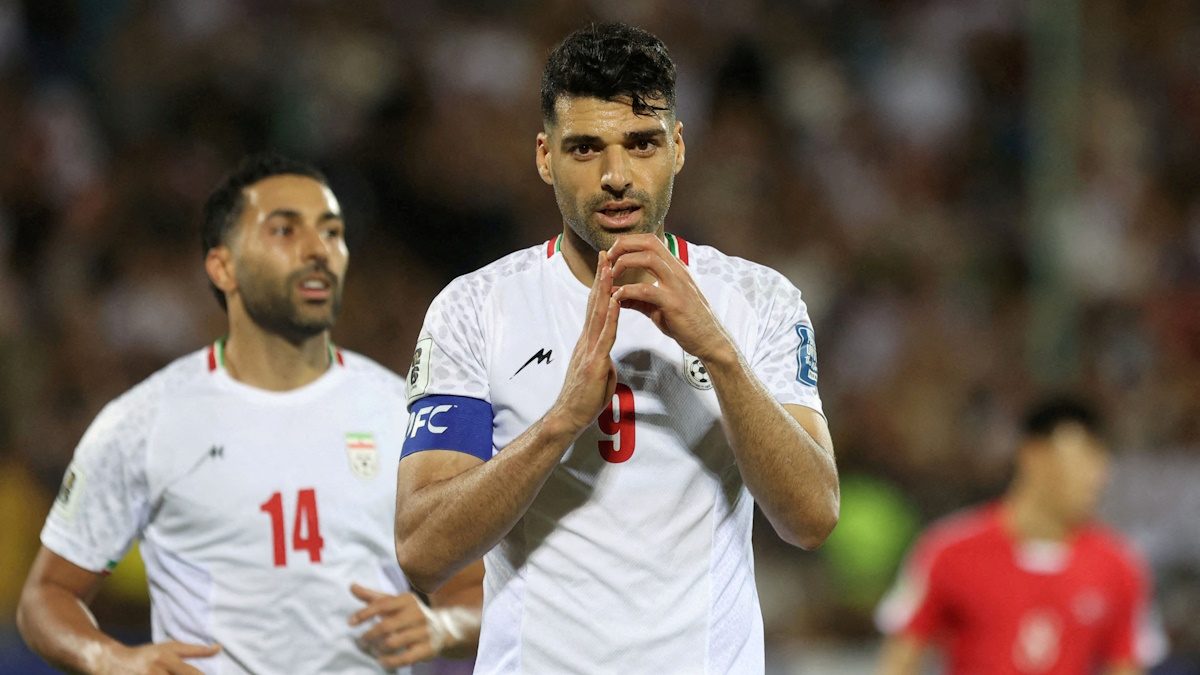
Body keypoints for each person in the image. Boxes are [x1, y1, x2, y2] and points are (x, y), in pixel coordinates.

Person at [393, 22, 839, 673]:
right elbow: (422, 549)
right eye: (585, 148)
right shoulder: (474, 308)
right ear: (545, 157)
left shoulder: (760, 300)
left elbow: (812, 518)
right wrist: (559, 423)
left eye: (641, 143)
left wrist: (718, 352)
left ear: (677, 147)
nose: (616, 175)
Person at [16, 153, 483, 675]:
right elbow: (46, 596)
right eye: (284, 230)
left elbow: (474, 593)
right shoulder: (145, 421)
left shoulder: (403, 417)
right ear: (223, 267)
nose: (318, 250)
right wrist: (111, 659)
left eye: (331, 232)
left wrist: (443, 627)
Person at [875, 397, 1167, 675]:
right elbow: (901, 661)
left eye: (1100, 462)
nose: (1095, 477)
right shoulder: (947, 550)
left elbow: (1126, 665)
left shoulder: (1119, 566)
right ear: (1033, 456)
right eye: (1081, 459)